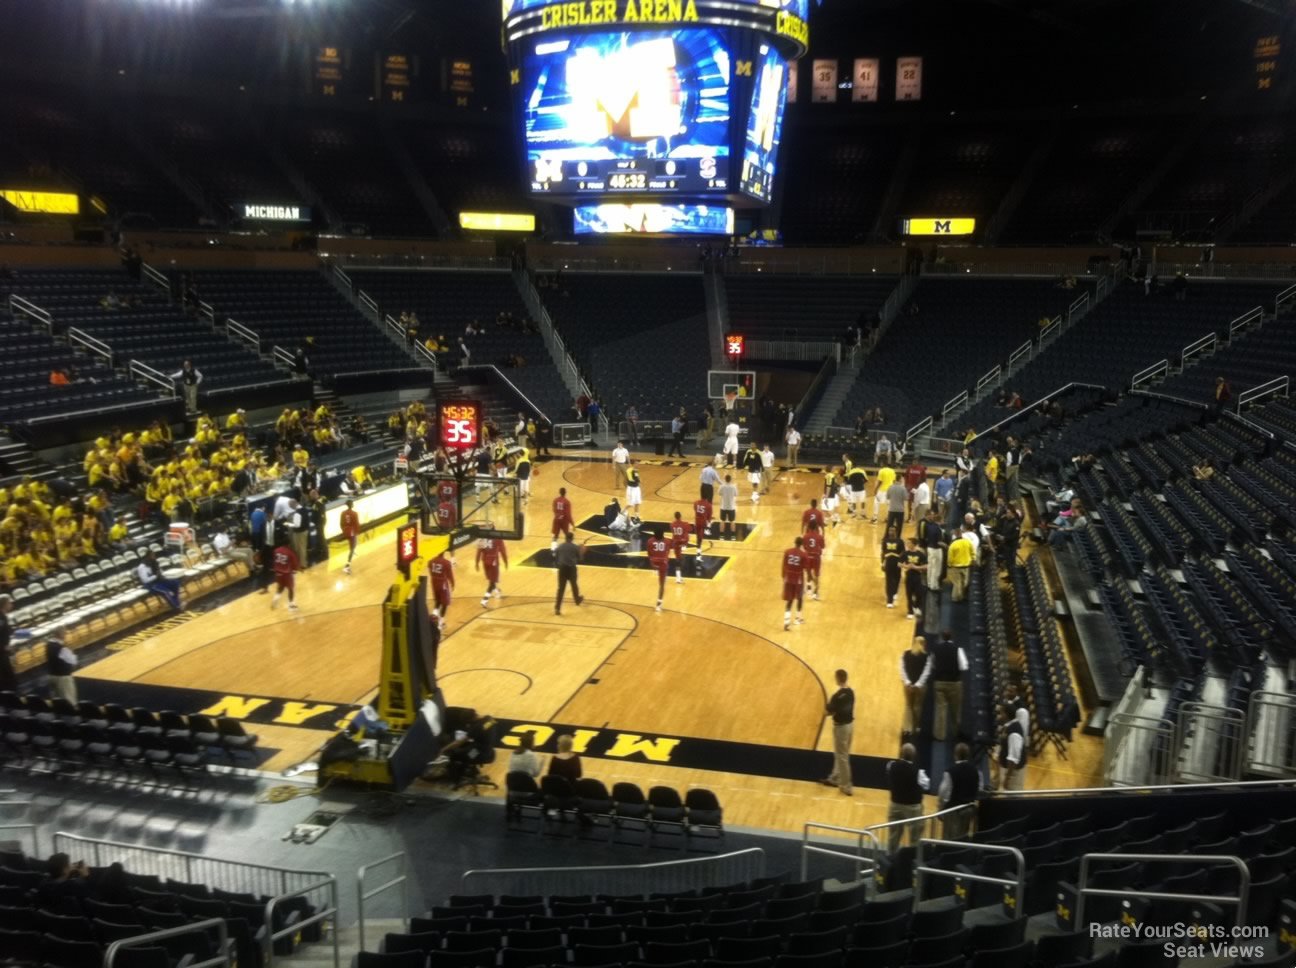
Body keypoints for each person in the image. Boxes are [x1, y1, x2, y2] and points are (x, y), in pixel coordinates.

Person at [885, 744, 929, 852]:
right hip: (913, 807)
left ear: (901, 754)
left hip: (895, 805)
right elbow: (927, 785)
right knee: (915, 837)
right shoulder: (918, 772)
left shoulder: (891, 765)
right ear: (914, 756)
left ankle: (890, 858)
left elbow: (889, 771)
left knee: (893, 836)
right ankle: (912, 860)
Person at [930, 630, 968, 742]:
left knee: (940, 709)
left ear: (942, 637)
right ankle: (956, 732)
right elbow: (964, 667)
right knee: (955, 710)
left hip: (939, 682)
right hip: (954, 683)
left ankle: (939, 735)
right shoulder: (958, 649)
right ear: (952, 637)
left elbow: (932, 664)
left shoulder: (936, 649)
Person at [821, 669, 854, 796]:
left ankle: (847, 786)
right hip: (850, 725)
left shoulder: (836, 697)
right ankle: (835, 777)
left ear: (838, 678)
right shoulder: (851, 693)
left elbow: (827, 712)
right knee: (841, 754)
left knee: (842, 756)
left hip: (841, 728)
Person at [938, 742, 980, 839]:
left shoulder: (950, 771)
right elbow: (978, 788)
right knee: (963, 836)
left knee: (950, 839)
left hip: (954, 811)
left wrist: (941, 809)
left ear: (955, 755)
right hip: (969, 809)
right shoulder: (975, 771)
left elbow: (943, 793)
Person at [900, 636, 931, 737]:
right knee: (917, 706)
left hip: (907, 686)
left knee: (908, 705)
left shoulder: (905, 653)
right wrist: (918, 684)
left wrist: (907, 682)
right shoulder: (927, 656)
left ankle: (907, 728)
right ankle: (916, 727)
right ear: (924, 644)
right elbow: (926, 672)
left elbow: (902, 669)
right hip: (920, 687)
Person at [997, 703, 1028, 791]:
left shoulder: (1014, 732)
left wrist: (1007, 779)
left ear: (1006, 715)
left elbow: (1013, 759)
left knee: (1013, 797)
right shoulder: (1009, 726)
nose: (999, 715)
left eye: (1001, 713)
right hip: (1008, 770)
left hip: (1013, 774)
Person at [554, 533, 585, 615]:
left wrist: (559, 566)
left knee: (561, 588)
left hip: (562, 569)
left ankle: (557, 608)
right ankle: (577, 600)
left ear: (565, 538)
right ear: (572, 538)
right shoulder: (575, 547)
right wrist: (582, 550)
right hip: (571, 569)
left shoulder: (560, 546)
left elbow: (556, 557)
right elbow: (580, 559)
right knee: (574, 585)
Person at [781, 536, 806, 631]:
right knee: (799, 598)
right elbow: (805, 567)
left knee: (789, 600)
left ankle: (786, 622)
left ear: (794, 542)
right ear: (802, 545)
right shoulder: (803, 555)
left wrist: (784, 576)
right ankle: (798, 618)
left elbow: (784, 565)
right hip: (798, 579)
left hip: (788, 578)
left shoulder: (787, 552)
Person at [44, 634, 79, 701]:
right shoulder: (62, 648)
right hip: (62, 677)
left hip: (51, 675)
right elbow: (73, 661)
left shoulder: (48, 645)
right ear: (63, 636)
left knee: (56, 700)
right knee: (69, 700)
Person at [476, 537, 509, 607]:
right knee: (492, 583)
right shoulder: (498, 539)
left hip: (485, 562)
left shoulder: (483, 538)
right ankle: (484, 600)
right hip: (493, 562)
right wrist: (506, 562)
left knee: (492, 581)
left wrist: (476, 563)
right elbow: (503, 551)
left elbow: (478, 551)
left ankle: (497, 592)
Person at [901, 536, 928, 619]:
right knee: (909, 594)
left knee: (918, 593)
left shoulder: (920, 554)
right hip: (908, 576)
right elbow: (899, 563)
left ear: (913, 544)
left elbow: (926, 565)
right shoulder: (905, 553)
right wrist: (906, 566)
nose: (907, 544)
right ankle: (910, 611)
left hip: (917, 576)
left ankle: (917, 607)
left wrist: (916, 567)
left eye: (909, 543)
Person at [271, 539, 300, 610]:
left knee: (281, 588)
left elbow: (274, 560)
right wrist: (296, 569)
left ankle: (275, 598)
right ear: (288, 544)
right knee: (290, 589)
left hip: (278, 573)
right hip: (286, 573)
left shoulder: (276, 550)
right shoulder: (290, 552)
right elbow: (295, 563)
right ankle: (291, 605)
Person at [946, 528, 974, 601]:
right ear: (961, 534)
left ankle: (956, 598)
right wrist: (972, 560)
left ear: (955, 534)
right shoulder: (968, 542)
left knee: (957, 583)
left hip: (956, 567)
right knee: (965, 582)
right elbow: (973, 552)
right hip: (966, 566)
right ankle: (962, 596)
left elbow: (950, 557)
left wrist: (949, 565)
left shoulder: (953, 545)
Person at [647, 527, 671, 611]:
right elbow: (668, 551)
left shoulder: (650, 541)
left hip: (654, 562)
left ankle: (655, 569)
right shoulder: (667, 541)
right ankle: (659, 604)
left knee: (653, 560)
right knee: (662, 585)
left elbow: (649, 554)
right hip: (663, 564)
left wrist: (652, 564)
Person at [881, 526, 904, 608]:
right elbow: (883, 552)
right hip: (888, 562)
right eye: (890, 530)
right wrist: (882, 563)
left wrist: (901, 562)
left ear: (896, 532)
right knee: (888, 581)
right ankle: (889, 600)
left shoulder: (900, 541)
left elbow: (903, 552)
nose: (891, 532)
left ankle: (895, 592)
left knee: (897, 578)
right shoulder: (885, 541)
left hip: (897, 562)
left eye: (893, 530)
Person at [802, 519, 825, 601]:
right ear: (816, 527)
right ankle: (816, 593)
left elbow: (804, 547)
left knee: (808, 574)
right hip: (816, 557)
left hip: (808, 556)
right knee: (817, 575)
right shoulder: (819, 537)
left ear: (808, 527)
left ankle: (808, 589)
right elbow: (822, 546)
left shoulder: (805, 536)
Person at [669, 511, 692, 583]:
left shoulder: (672, 524)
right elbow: (690, 529)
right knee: (679, 561)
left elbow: (673, 531)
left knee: (678, 560)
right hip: (682, 541)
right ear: (680, 516)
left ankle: (679, 577)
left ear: (675, 517)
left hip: (676, 543)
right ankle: (678, 578)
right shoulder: (685, 524)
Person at [0, 595, 16, 691]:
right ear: (5, 604)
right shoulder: (0, 618)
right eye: (9, 603)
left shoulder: (3, 617)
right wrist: (4, 647)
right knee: (8, 680)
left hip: (4, 652)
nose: (11, 605)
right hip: (1, 654)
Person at [340, 499, 360, 574]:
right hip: (352, 532)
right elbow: (357, 524)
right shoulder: (355, 513)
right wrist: (357, 532)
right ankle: (347, 566)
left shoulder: (343, 513)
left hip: (346, 531)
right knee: (352, 548)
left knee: (352, 545)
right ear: (351, 505)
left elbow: (341, 523)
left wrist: (344, 530)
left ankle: (353, 551)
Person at [551, 487, 574, 551]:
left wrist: (557, 515)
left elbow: (554, 510)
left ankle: (553, 550)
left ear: (559, 492)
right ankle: (568, 549)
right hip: (564, 521)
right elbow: (568, 514)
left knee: (555, 536)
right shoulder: (567, 502)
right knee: (567, 535)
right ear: (565, 493)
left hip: (556, 519)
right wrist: (572, 524)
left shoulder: (555, 500)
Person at [718, 474, 738, 540]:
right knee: (732, 521)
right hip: (731, 507)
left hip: (723, 506)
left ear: (725, 479)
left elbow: (719, 493)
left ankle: (721, 535)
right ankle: (733, 536)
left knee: (722, 521)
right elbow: (736, 494)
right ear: (730, 479)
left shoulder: (722, 486)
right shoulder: (733, 487)